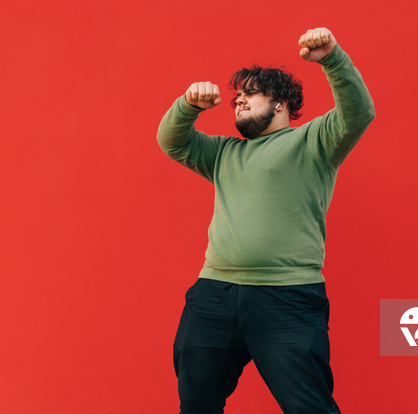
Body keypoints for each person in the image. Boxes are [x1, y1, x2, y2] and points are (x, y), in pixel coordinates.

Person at [157, 27, 375, 414]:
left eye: (250, 93)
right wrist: (188, 104)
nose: (238, 100)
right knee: (195, 404)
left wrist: (332, 57)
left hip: (287, 298)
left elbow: (359, 112)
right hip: (214, 296)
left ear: (279, 104)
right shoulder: (223, 153)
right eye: (235, 97)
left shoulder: (314, 142)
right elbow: (172, 141)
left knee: (310, 407)